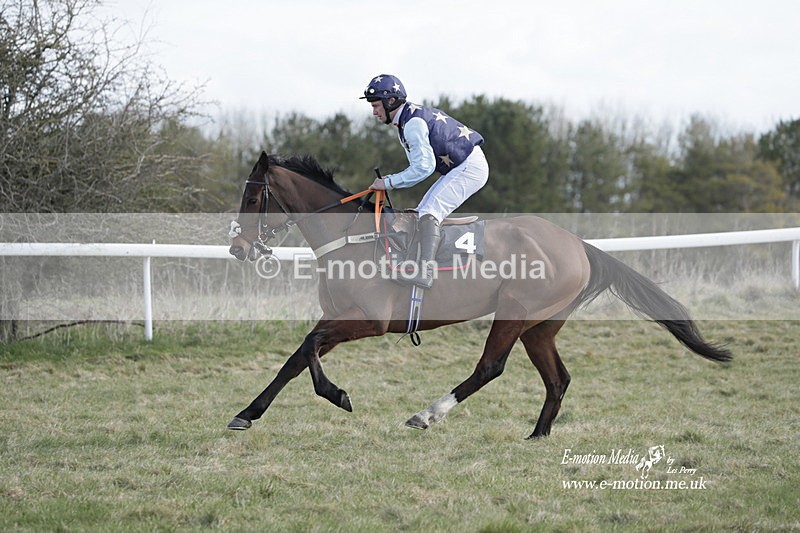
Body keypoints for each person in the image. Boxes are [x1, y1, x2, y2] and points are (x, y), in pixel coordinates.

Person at [362, 74, 489, 289]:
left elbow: (424, 168)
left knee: (430, 211)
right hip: (463, 165)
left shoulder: (412, 124)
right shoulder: (406, 119)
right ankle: (416, 264)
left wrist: (388, 182)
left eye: (376, 106)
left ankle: (426, 272)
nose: (374, 112)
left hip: (469, 167)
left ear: (390, 102)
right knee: (422, 212)